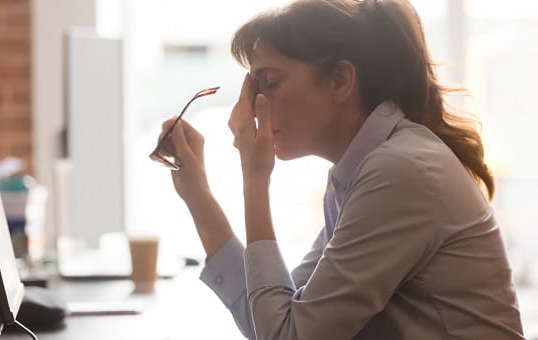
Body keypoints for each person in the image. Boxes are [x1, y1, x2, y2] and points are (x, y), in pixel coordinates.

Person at [156, 0, 525, 339]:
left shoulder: (399, 172)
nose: (250, 107)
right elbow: (270, 319)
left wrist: (255, 180)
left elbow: (287, 336)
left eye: (269, 83)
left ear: (339, 81)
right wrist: (197, 195)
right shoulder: (361, 172)